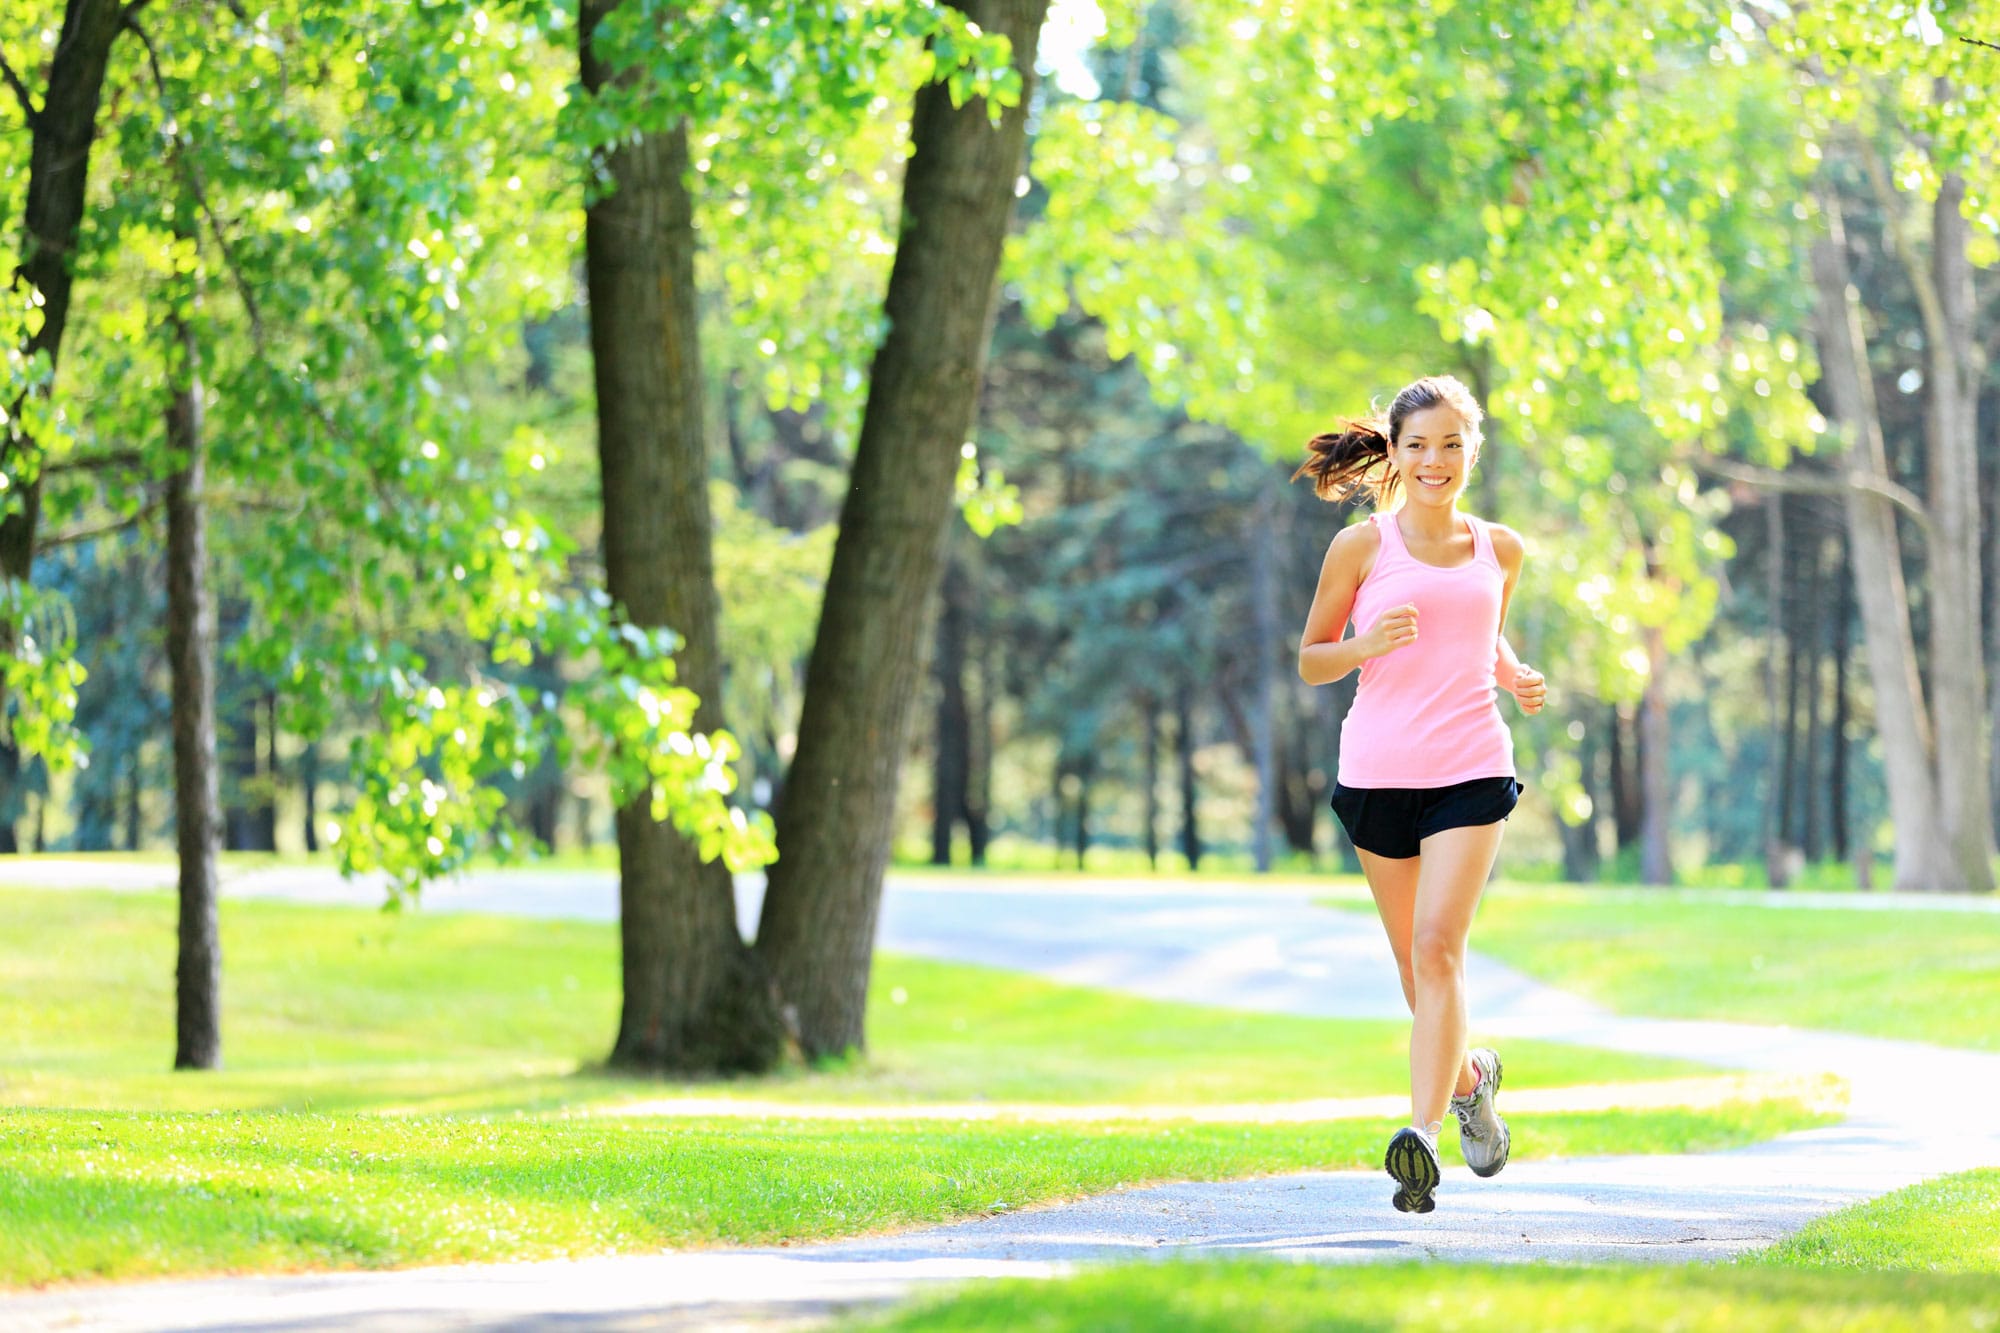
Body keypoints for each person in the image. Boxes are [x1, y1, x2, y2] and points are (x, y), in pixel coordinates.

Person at [1290, 374, 1547, 1214]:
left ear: (1474, 449)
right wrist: (1365, 643)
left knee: (1440, 947)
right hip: (1377, 773)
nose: (1435, 460)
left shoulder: (1499, 548)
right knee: (1414, 967)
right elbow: (1312, 657)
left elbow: (1484, 629)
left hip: (1470, 768)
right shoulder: (1362, 549)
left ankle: (1423, 1136)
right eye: (1418, 445)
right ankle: (1474, 1081)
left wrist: (1514, 675)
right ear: (1394, 455)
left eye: (1450, 444)